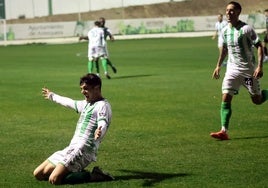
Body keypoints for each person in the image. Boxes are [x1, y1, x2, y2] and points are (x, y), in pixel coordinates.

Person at [33, 73, 113, 185]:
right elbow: (69, 102)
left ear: (96, 88)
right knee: (39, 174)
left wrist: (100, 130)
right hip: (72, 147)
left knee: (54, 179)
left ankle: (94, 175)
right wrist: (52, 96)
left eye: (86, 89)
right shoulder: (86, 104)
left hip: (84, 150)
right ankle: (74, 171)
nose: (82, 92)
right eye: (81, 89)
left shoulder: (102, 105)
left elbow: (102, 121)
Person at [210, 1, 268, 140]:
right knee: (225, 97)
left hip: (248, 72)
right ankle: (224, 131)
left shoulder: (247, 29)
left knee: (257, 100)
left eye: (232, 10)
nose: (228, 13)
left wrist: (260, 66)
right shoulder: (224, 30)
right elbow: (224, 49)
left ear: (238, 12)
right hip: (232, 71)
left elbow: (259, 46)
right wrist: (218, 65)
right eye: (227, 10)